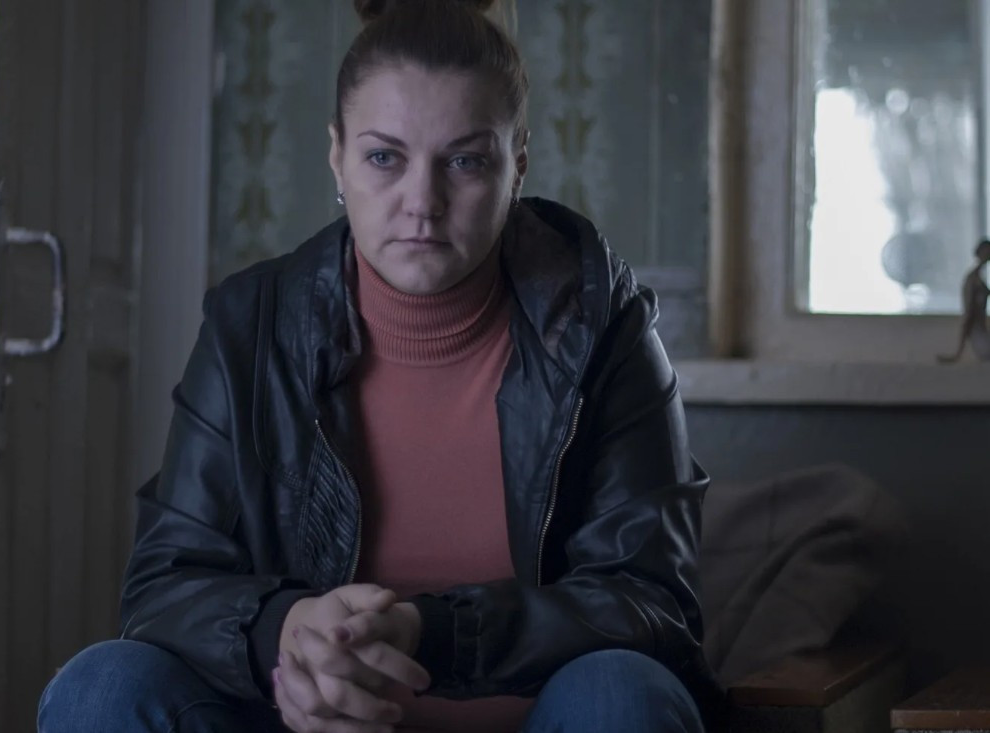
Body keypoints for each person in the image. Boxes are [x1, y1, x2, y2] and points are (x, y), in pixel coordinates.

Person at [38, 1, 720, 731]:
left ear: (518, 161)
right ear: (337, 155)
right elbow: (162, 586)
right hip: (302, 723)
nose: (422, 203)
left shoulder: (604, 325)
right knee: (101, 687)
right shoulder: (251, 327)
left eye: (464, 161)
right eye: (384, 158)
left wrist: (433, 633)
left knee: (621, 694)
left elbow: (653, 603)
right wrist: (284, 632)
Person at [939, 239, 990, 363]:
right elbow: (969, 312)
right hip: (978, 333)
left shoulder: (978, 278)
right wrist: (957, 354)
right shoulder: (972, 279)